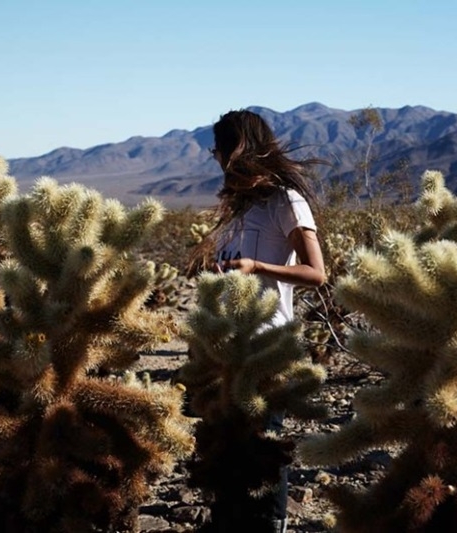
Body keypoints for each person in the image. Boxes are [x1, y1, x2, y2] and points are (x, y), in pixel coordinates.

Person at [192, 109, 327, 533]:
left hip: (269, 346)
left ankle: (272, 525)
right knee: (228, 451)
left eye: (219, 149)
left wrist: (257, 267)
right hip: (228, 347)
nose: (215, 159)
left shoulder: (286, 201)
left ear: (237, 150)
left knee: (264, 449)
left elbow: (316, 272)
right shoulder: (239, 207)